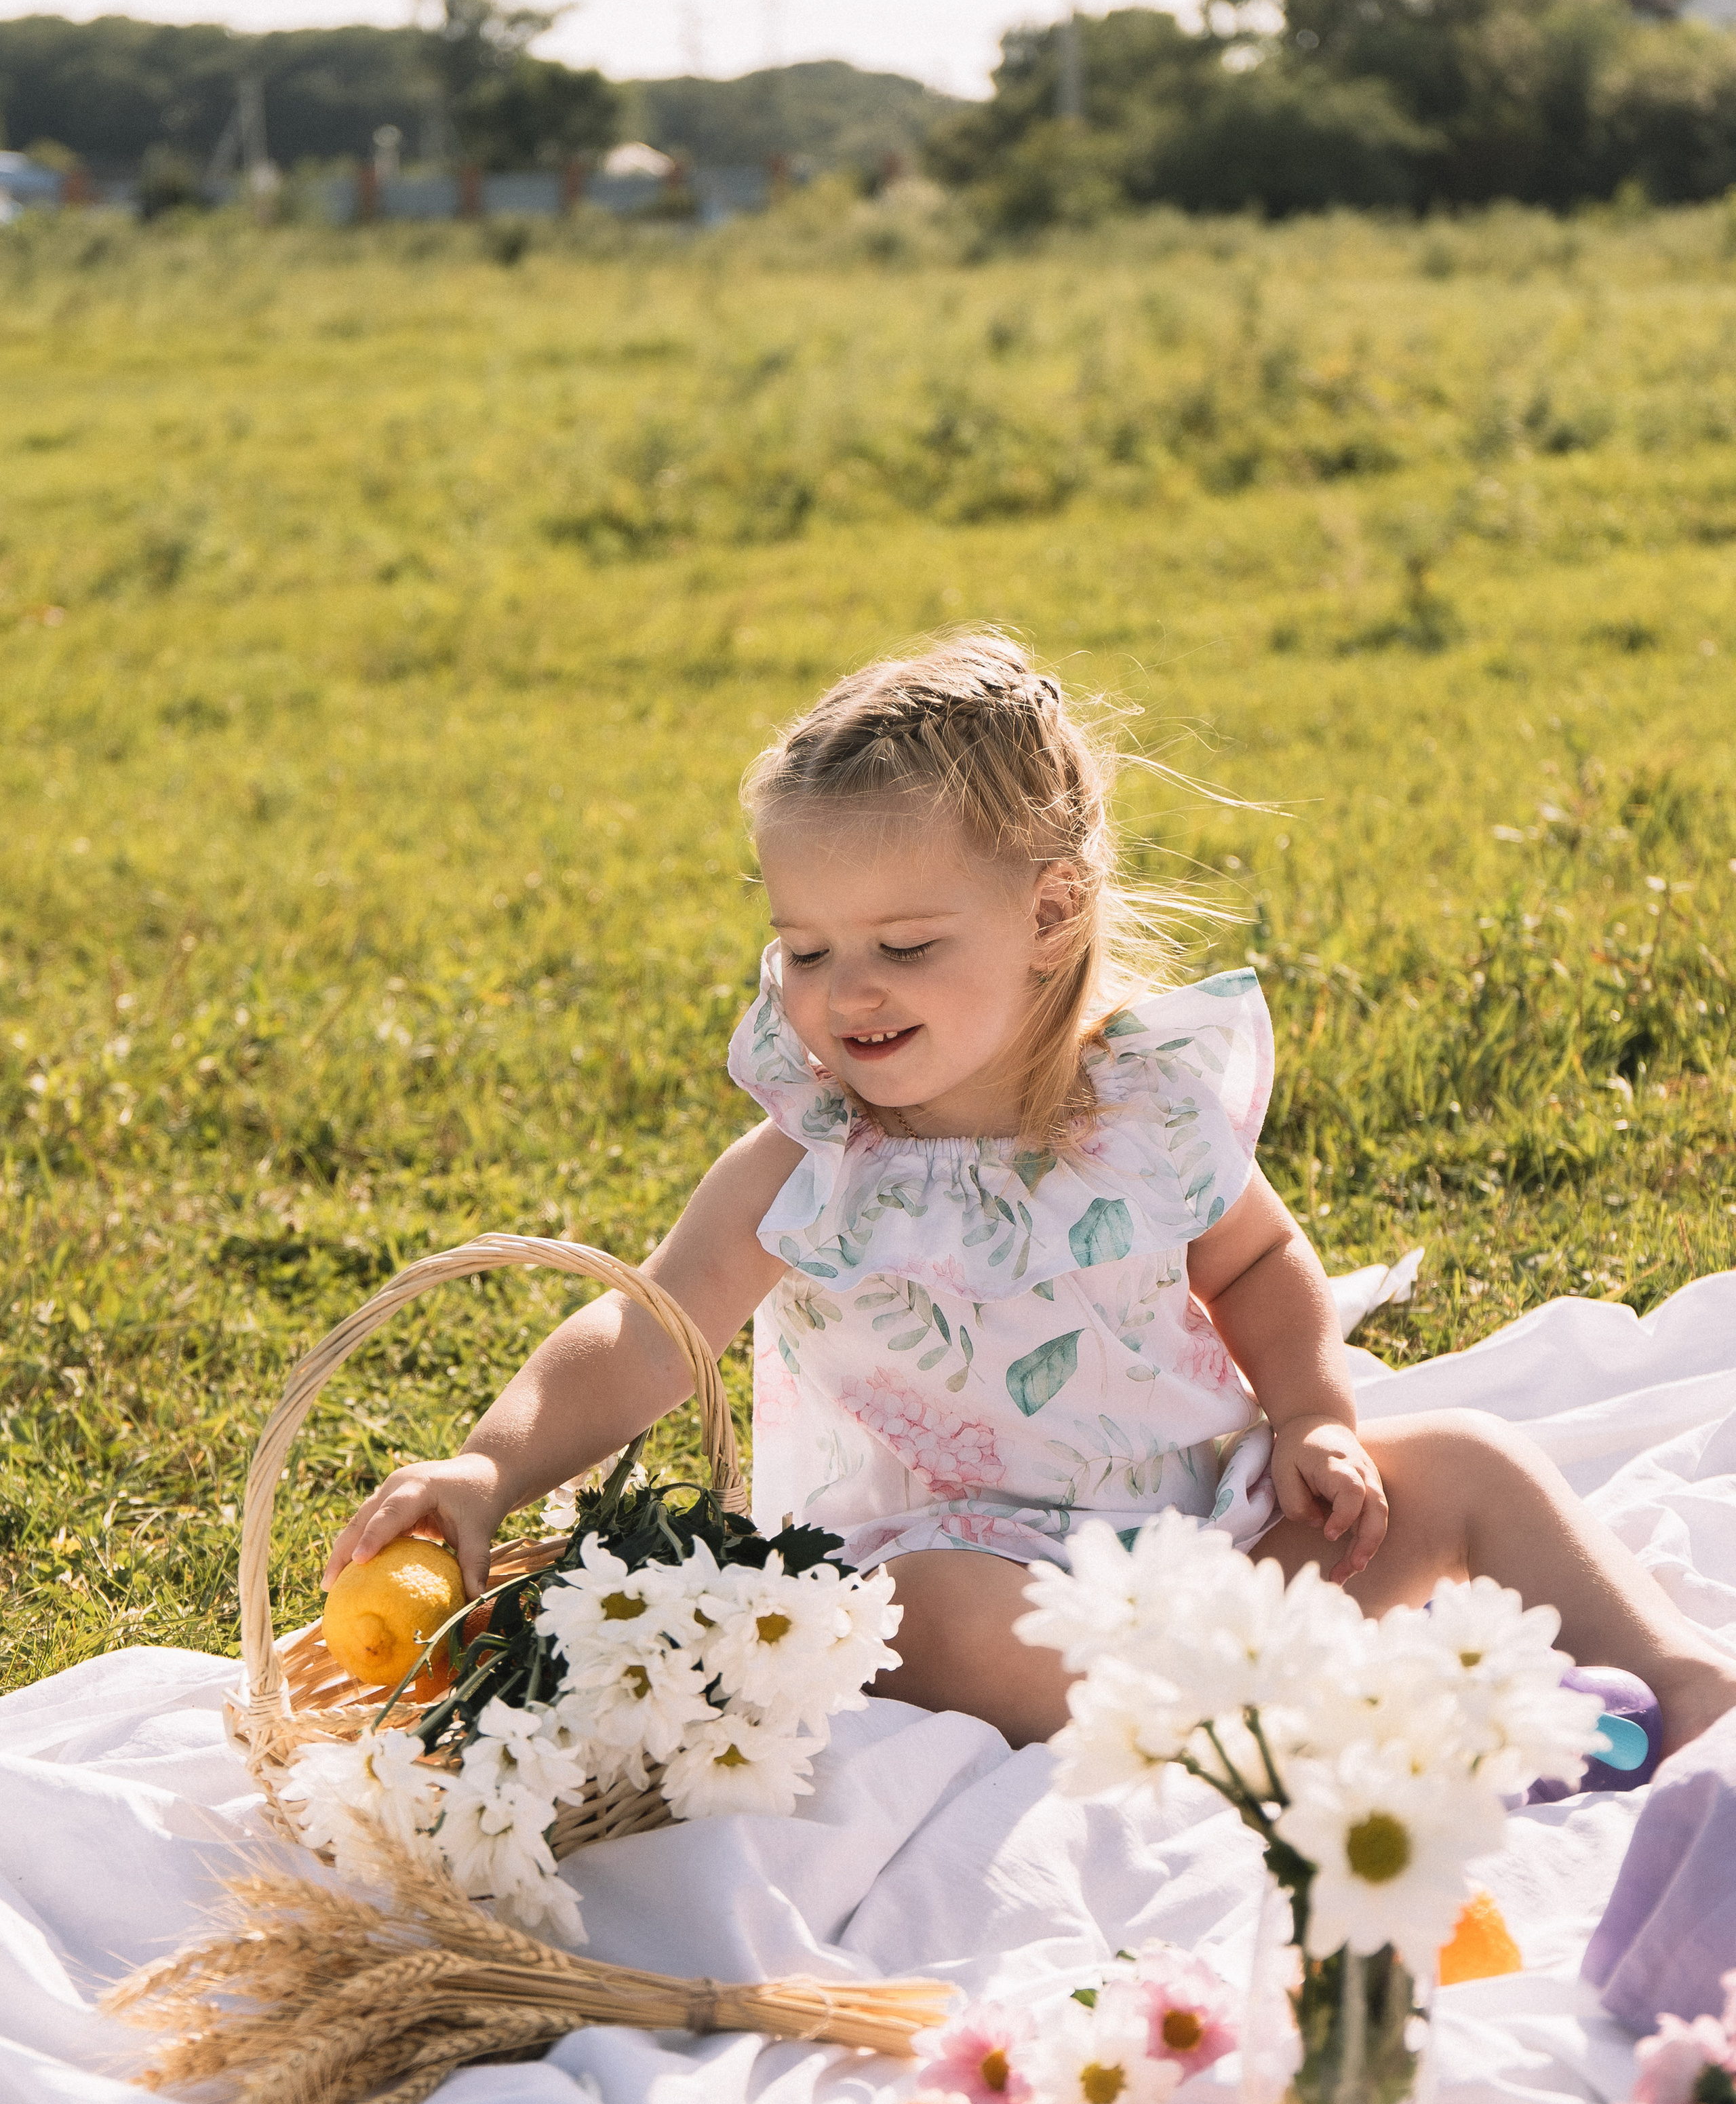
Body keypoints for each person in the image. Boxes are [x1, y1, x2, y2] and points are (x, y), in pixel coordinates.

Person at [324, 634, 1736, 1757]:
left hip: (1206, 1542)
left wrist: (1312, 1413)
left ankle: (1681, 1687)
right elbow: (649, 1330)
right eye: (804, 950)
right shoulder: (812, 1164)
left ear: (1050, 914)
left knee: (1470, 1461)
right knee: (931, 1613)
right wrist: (489, 1467)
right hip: (980, 1572)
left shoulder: (1145, 1113)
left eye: (902, 946)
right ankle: (1291, 1732)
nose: (846, 993)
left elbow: (1256, 1263)